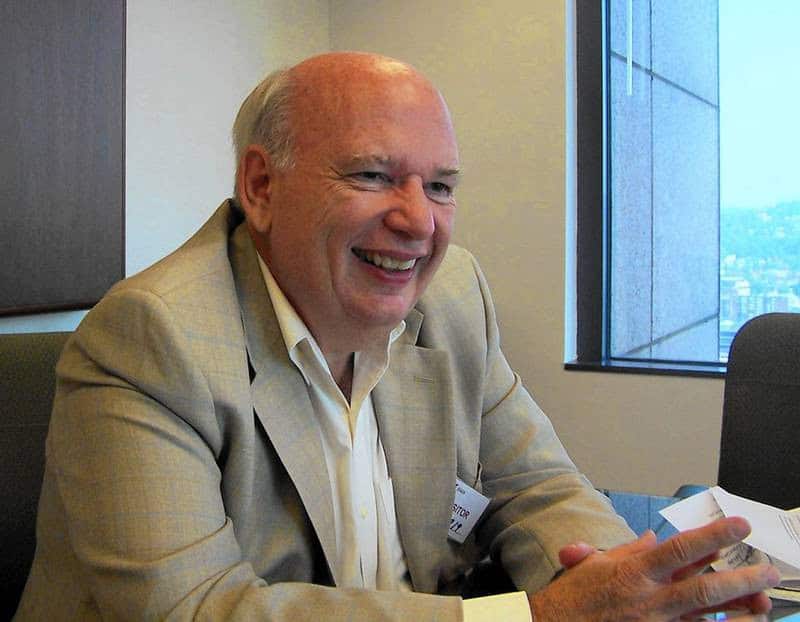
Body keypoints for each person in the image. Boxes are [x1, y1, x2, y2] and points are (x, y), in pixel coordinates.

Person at [16, 52, 778, 621]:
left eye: (440, 186)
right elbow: (197, 611)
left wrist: (632, 586)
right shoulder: (153, 339)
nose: (419, 222)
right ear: (261, 186)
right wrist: (540, 616)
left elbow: (533, 485)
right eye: (374, 176)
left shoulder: (452, 296)